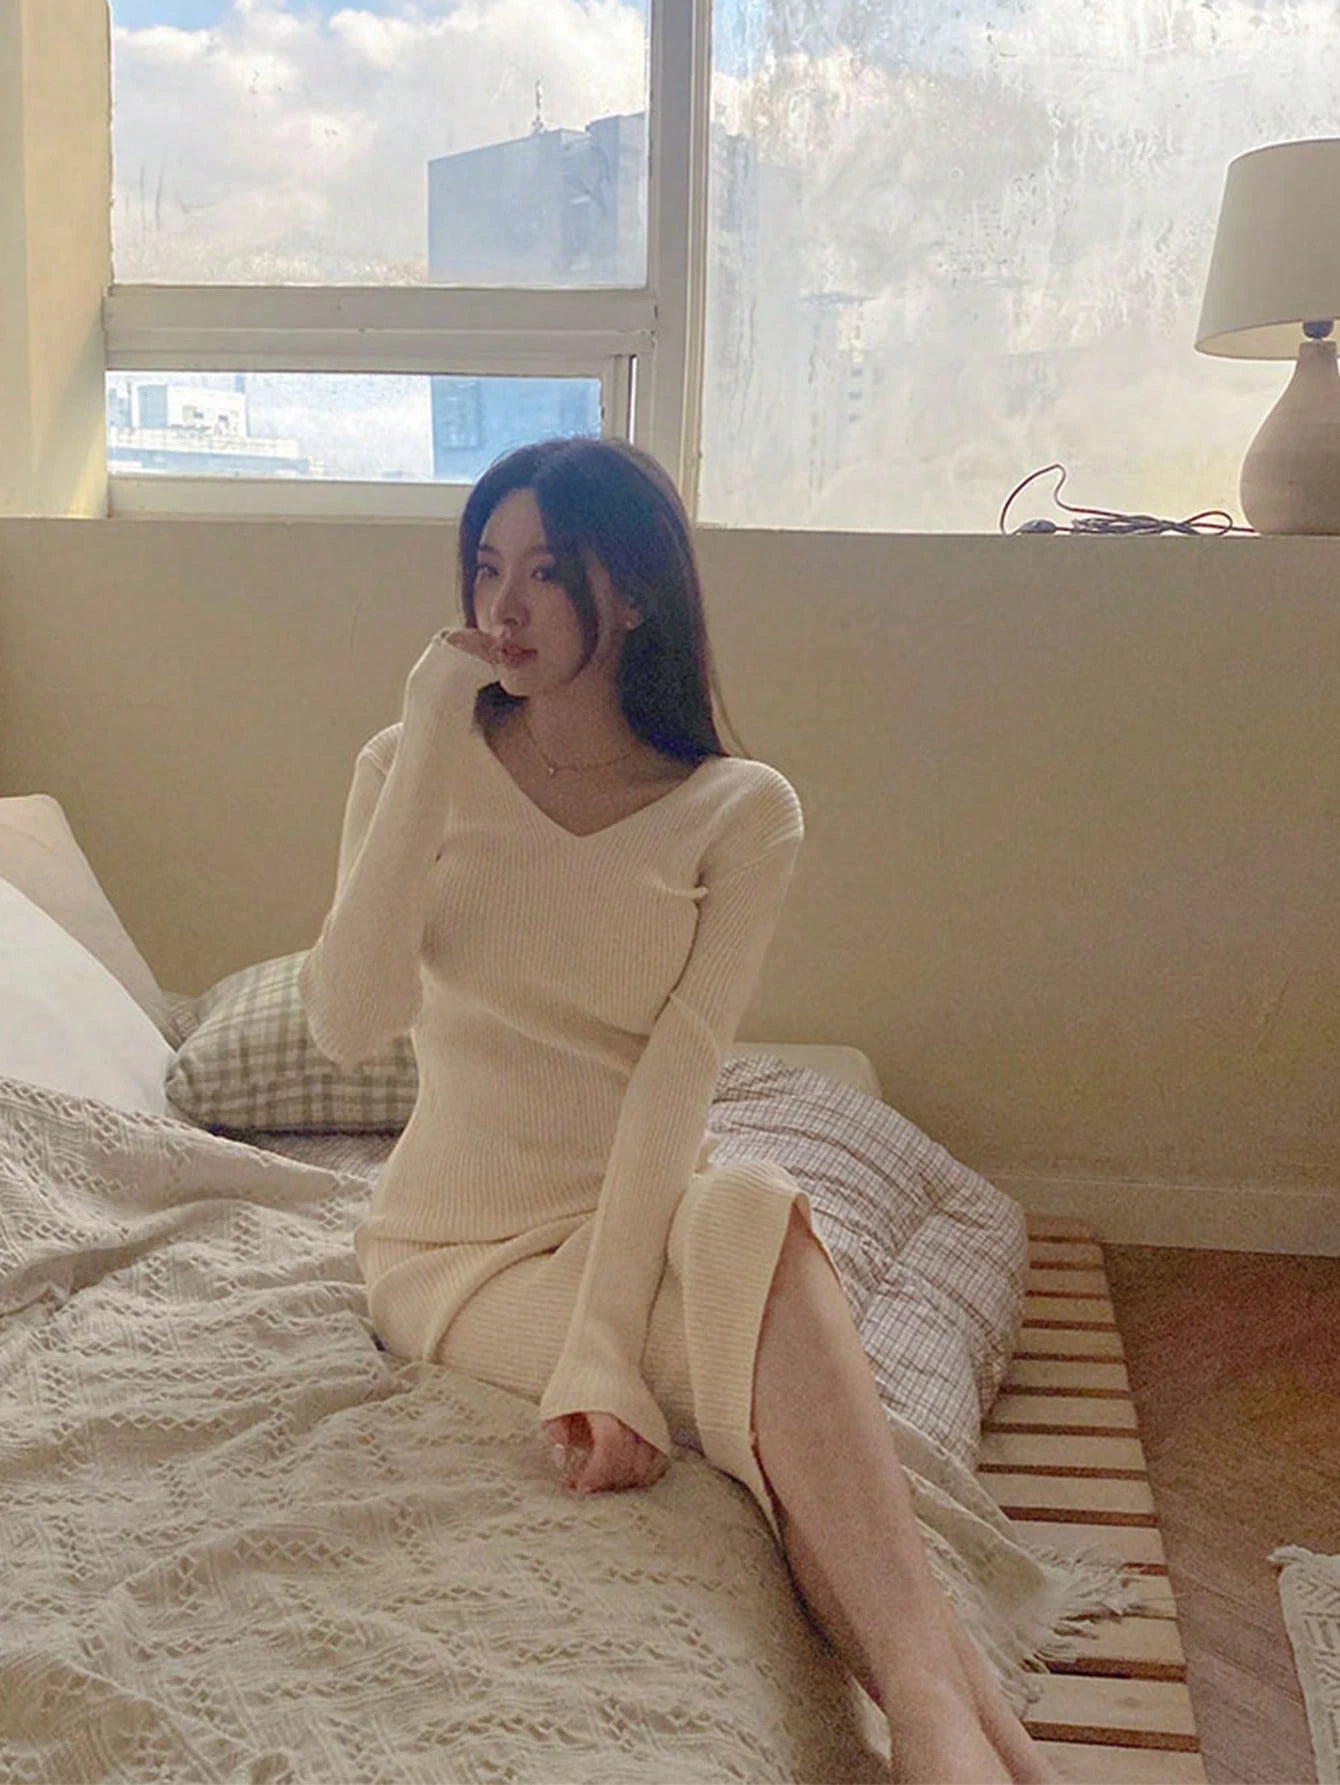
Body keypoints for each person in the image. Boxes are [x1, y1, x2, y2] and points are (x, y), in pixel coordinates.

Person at [299, 436, 1060, 1784]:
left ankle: (932, 1716)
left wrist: (605, 1342)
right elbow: (350, 1022)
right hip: (457, 1251)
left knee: (756, 1201)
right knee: (790, 1423)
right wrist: (423, 733)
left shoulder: (738, 811)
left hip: (648, 1215)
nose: (505, 606)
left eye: (548, 571)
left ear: (635, 592)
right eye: (487, 567)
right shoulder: (404, 762)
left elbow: (678, 1073)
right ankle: (952, 1720)